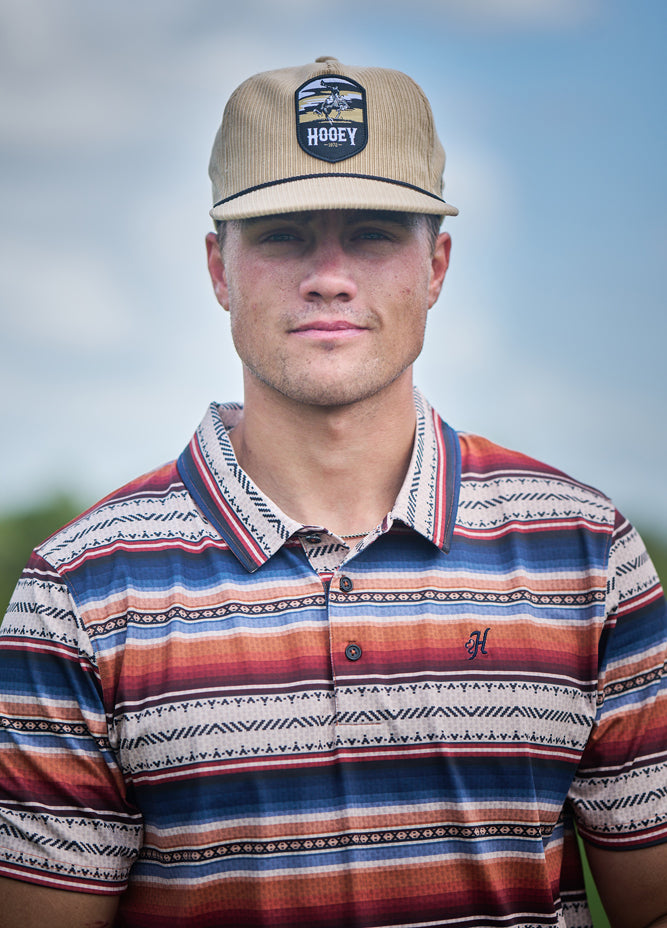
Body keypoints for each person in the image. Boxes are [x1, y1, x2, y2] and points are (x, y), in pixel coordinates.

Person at [0, 56, 665, 928]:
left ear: (436, 267)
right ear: (218, 269)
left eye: (374, 232)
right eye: (280, 235)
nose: (329, 274)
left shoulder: (581, 552)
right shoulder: (81, 591)